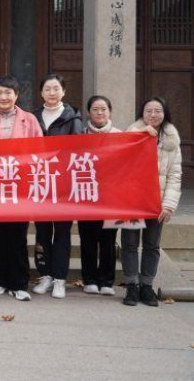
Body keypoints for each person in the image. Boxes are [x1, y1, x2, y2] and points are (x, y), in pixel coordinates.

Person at [0, 75, 41, 301]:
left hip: (21, 185)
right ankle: (0, 281)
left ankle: (19, 283)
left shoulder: (30, 120)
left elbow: (40, 150)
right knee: (0, 235)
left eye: (8, 93)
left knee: (18, 236)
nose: (3, 97)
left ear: (16, 95)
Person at [122, 97, 182, 307]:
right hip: (132, 201)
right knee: (129, 244)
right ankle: (131, 285)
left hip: (157, 202)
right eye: (149, 111)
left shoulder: (172, 139)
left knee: (152, 245)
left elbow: (175, 174)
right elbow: (120, 163)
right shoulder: (131, 134)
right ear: (142, 113)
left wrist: (169, 204)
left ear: (164, 113)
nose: (153, 115)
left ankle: (146, 286)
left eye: (158, 110)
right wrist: (140, 134)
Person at [31, 73, 83, 299]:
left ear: (64, 91)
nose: (51, 93)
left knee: (62, 232)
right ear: (41, 92)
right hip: (39, 183)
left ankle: (60, 278)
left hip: (63, 185)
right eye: (47, 89)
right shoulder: (33, 117)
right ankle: (45, 275)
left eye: (56, 89)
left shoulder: (73, 118)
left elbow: (78, 150)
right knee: (42, 231)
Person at [79, 95, 122, 296]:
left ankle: (106, 281)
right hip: (86, 194)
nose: (99, 113)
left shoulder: (120, 136)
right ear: (89, 112)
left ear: (110, 111)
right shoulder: (80, 135)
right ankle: (89, 279)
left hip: (111, 198)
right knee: (87, 239)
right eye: (95, 109)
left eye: (103, 109)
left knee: (108, 240)